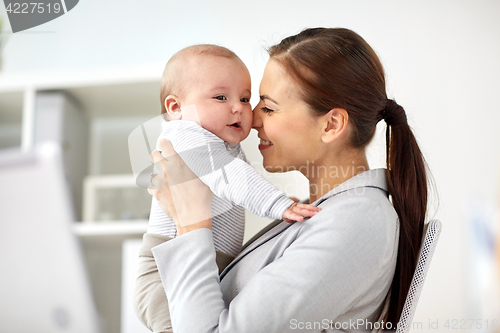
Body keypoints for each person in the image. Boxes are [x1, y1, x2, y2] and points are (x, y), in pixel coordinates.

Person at [137, 27, 429, 332]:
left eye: (268, 106)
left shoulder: (356, 220)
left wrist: (191, 223)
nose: (253, 121)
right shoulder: (326, 213)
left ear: (331, 125)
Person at [135, 44, 320, 332]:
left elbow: (230, 193)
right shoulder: (184, 135)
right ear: (176, 108)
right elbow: (231, 178)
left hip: (206, 262)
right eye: (221, 97)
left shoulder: (220, 144)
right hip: (164, 273)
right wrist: (278, 203)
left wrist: (277, 211)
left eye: (245, 98)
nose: (239, 107)